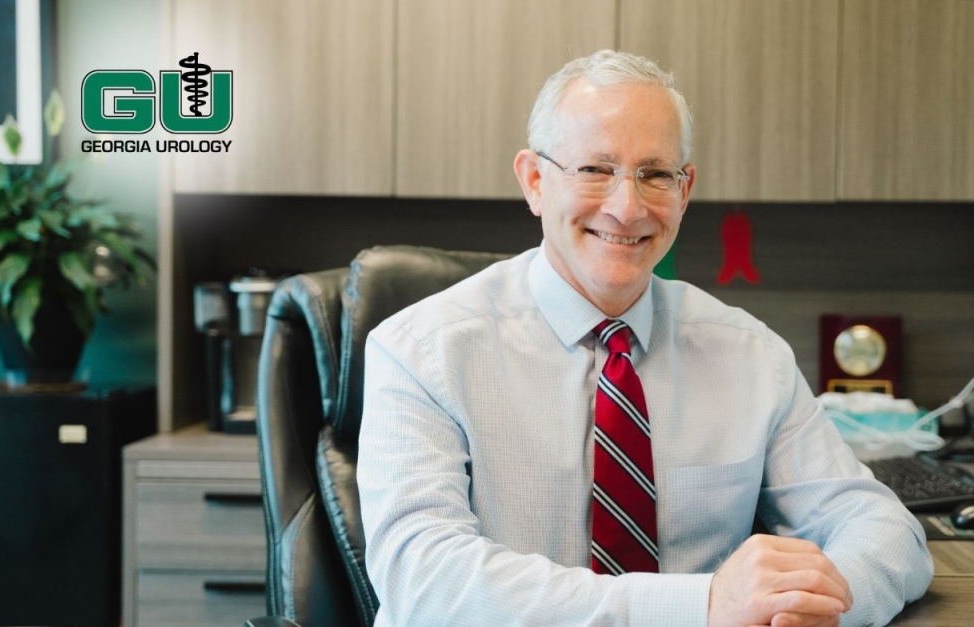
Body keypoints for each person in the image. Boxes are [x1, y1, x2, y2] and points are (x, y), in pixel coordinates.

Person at [358, 50, 933, 627]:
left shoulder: (750, 357)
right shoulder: (420, 352)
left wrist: (813, 610)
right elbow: (422, 578)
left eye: (656, 174)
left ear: (684, 191)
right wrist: (700, 607)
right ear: (535, 181)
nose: (627, 207)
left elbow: (883, 530)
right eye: (595, 169)